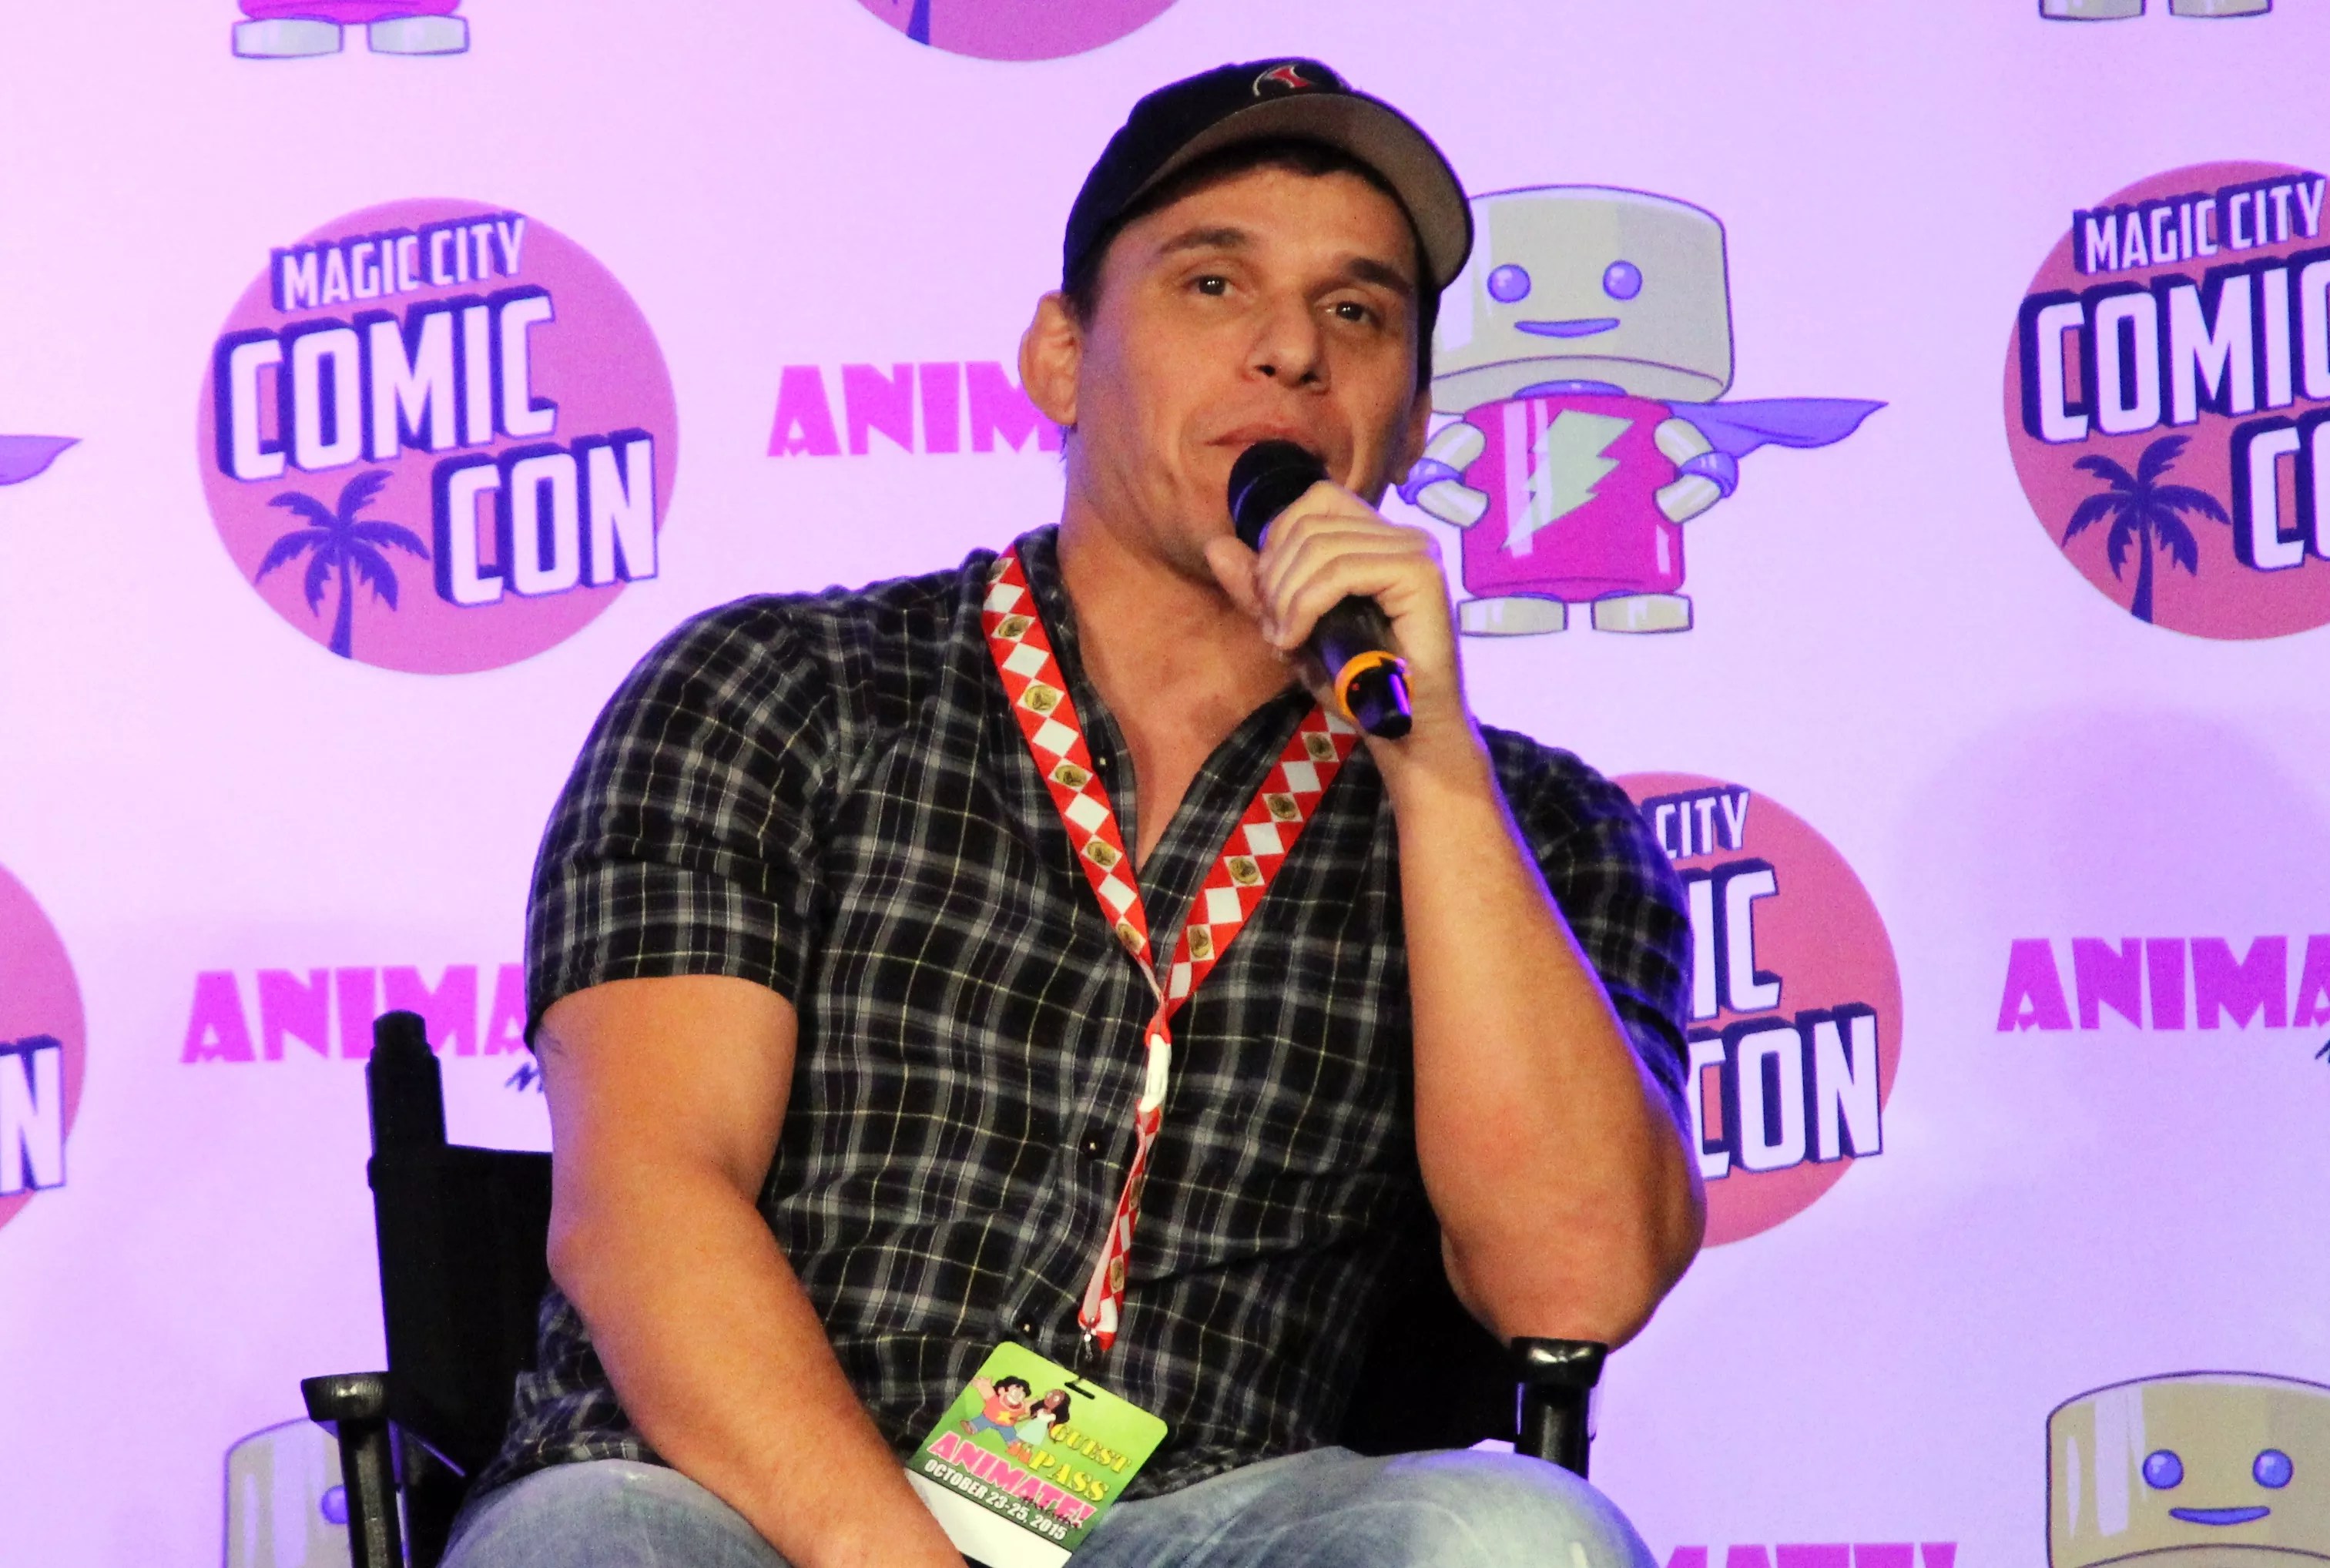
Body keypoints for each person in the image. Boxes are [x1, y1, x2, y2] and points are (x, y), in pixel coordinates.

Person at [445, 56, 1702, 1568]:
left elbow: (1572, 1285)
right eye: (1213, 285)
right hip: (727, 1501)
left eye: (1357, 312)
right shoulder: (781, 688)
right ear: (1059, 356)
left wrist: (1429, 759)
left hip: (1196, 1511)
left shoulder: (1538, 831)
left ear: (1416, 418)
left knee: (1520, 1537)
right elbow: (646, 1201)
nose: (1291, 351)